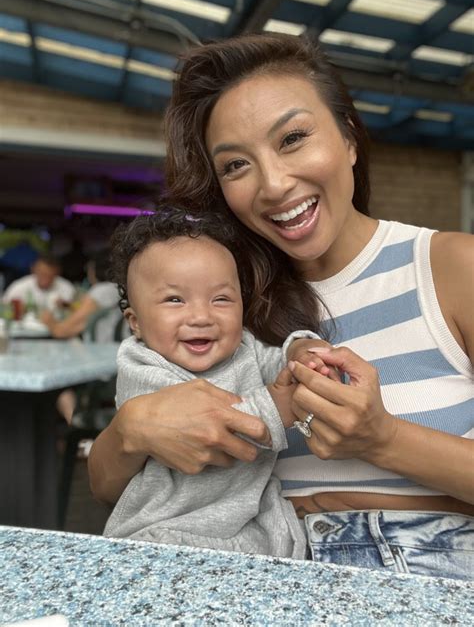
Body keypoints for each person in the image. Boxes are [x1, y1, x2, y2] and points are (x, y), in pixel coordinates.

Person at [89, 34, 474, 579]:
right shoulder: (222, 301)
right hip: (256, 567)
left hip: (419, 563)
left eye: (292, 138)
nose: (273, 184)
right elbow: (108, 486)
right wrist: (131, 428)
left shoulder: (452, 266)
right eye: (236, 166)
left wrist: (384, 439)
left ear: (349, 139)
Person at [102, 205, 335, 558]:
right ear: (135, 322)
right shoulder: (141, 364)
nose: (201, 316)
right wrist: (280, 406)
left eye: (221, 299)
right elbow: (207, 426)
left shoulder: (244, 348)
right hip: (168, 530)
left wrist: (302, 350)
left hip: (253, 532)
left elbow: (280, 361)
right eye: (175, 299)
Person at [39, 249, 121, 341]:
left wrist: (49, 321)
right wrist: (68, 306)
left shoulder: (101, 292)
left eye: (88, 269)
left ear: (95, 270)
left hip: (100, 350)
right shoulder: (117, 289)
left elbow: (62, 331)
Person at [3, 254, 74, 312]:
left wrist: (66, 306)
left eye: (50, 276)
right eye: (42, 274)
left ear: (57, 273)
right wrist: (15, 308)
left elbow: (76, 310)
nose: (46, 279)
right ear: (33, 270)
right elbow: (3, 306)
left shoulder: (66, 287)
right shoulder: (20, 286)